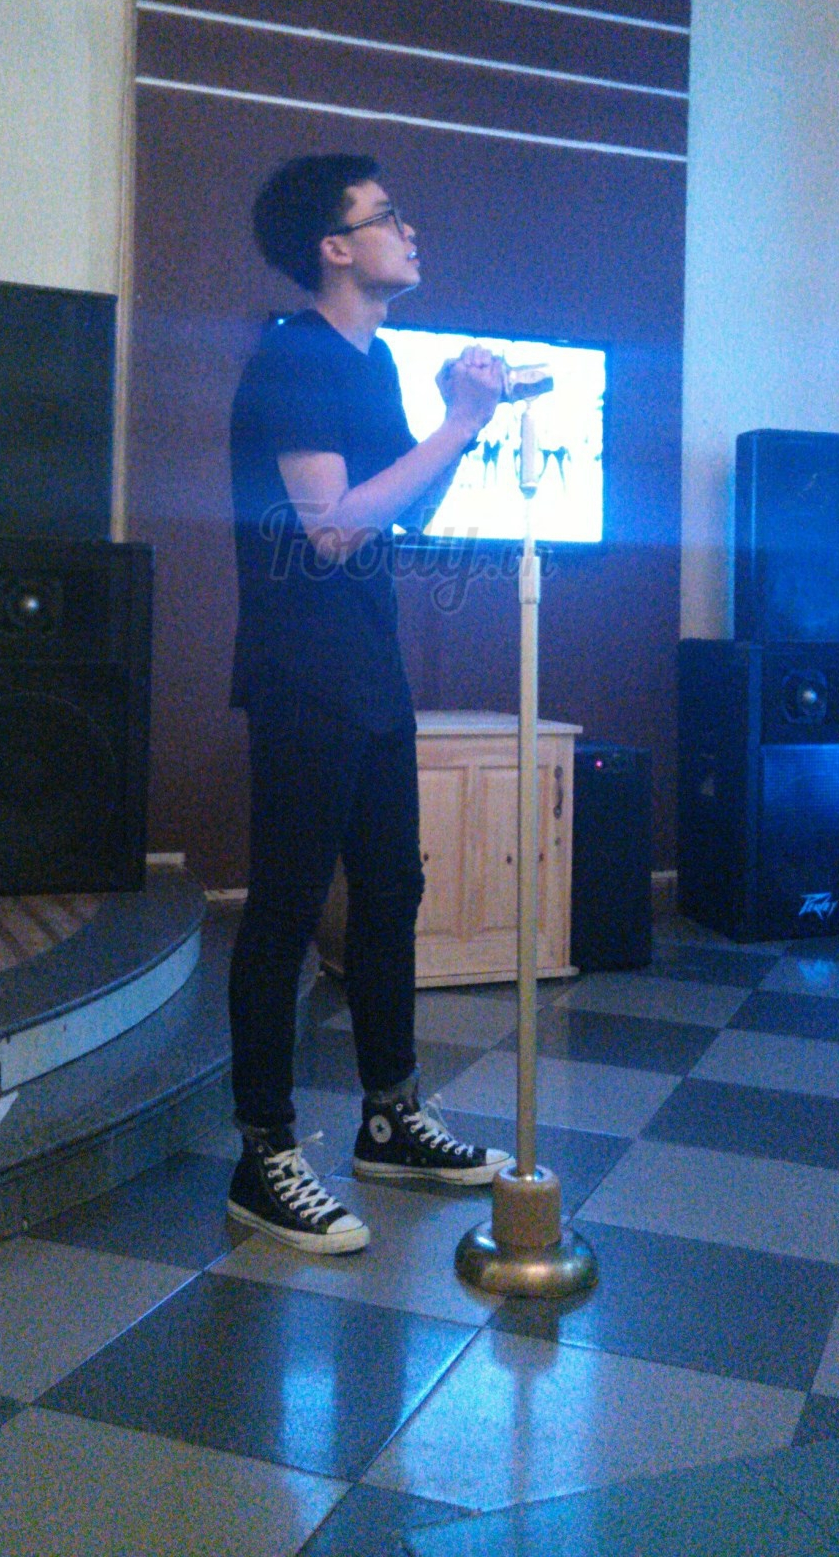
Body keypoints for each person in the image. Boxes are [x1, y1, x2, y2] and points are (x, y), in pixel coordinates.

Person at [225, 152, 512, 1253]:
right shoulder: (294, 355)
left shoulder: (374, 356)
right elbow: (334, 526)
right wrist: (455, 425)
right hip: (305, 670)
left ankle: (390, 1118)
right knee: (289, 907)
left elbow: (407, 508)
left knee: (392, 888)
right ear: (335, 248)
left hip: (370, 663)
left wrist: (462, 420)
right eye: (386, 216)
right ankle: (264, 1155)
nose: (409, 230)